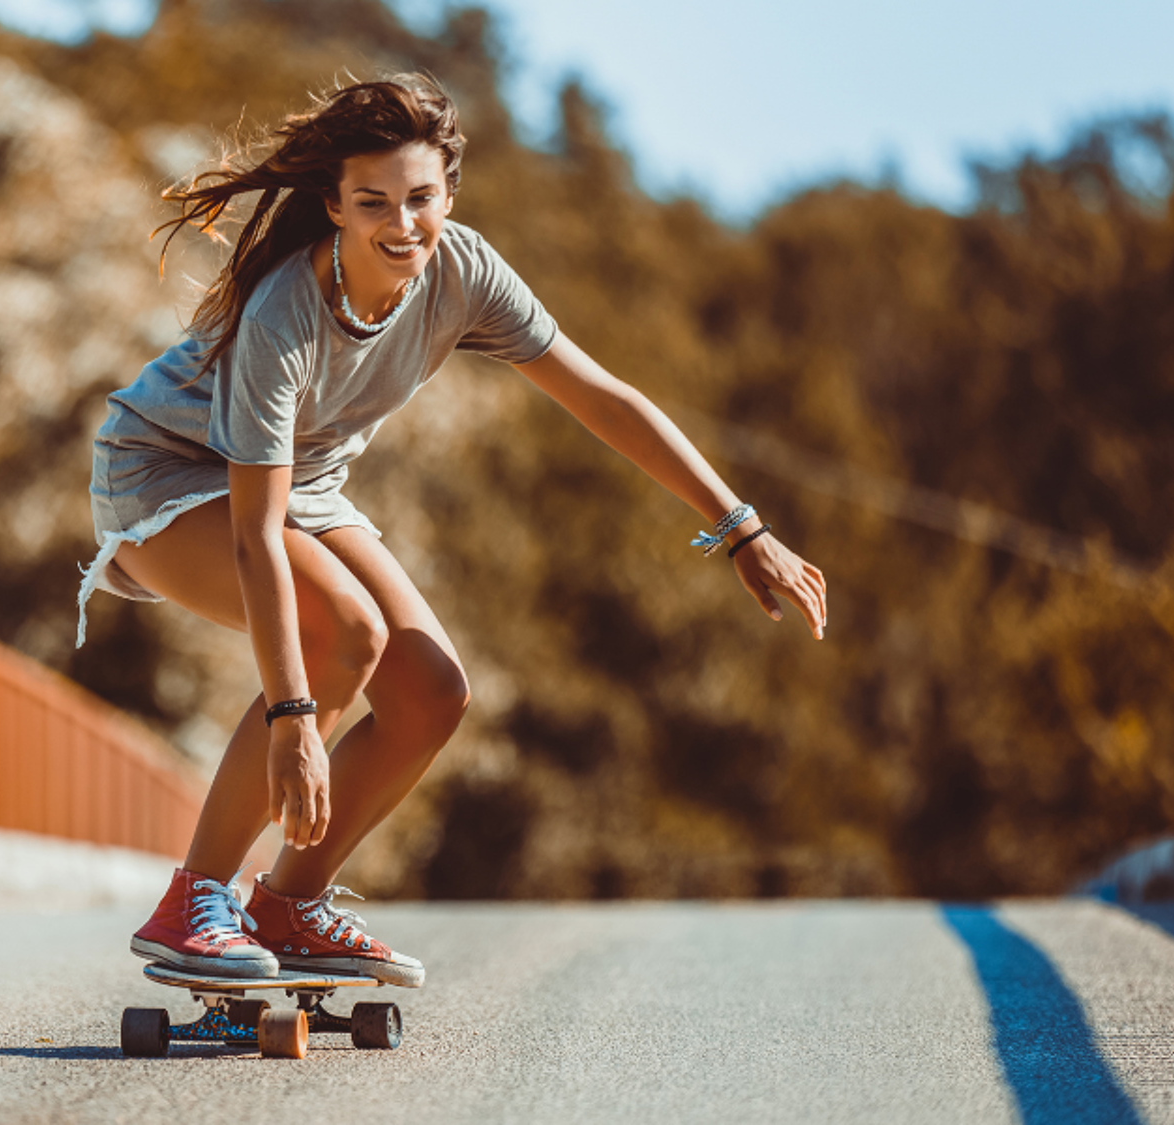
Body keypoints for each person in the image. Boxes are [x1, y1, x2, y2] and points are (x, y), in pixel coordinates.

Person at [76, 74, 827, 986]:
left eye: (421, 199)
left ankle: (287, 904)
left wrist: (741, 528)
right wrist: (292, 718)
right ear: (334, 205)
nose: (402, 225)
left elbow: (603, 398)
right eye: (373, 202)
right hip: (161, 473)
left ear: (450, 195)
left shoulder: (464, 272)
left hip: (300, 485)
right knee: (344, 632)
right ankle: (194, 897)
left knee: (431, 688)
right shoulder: (285, 311)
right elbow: (255, 536)